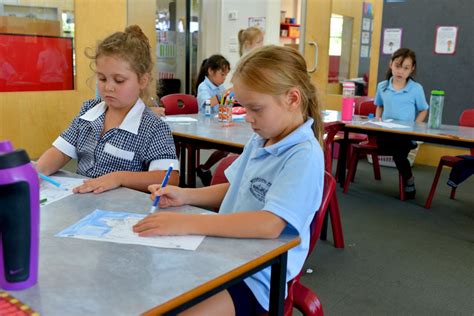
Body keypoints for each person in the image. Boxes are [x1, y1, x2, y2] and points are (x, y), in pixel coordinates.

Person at [133, 45, 325, 315]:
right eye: (244, 107)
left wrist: (188, 223)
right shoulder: (262, 139)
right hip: (223, 257)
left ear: (292, 99)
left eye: (255, 108)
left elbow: (270, 224)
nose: (248, 118)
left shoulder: (303, 155)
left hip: (257, 278)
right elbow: (237, 188)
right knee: (148, 289)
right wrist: (185, 195)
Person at [36, 25, 179, 193]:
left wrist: (119, 178)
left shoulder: (153, 126)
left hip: (122, 213)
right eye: (102, 78)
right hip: (83, 202)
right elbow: (60, 152)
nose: (109, 87)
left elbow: (170, 178)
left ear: (142, 81)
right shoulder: (88, 112)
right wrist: (36, 171)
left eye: (119, 80)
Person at [374, 48, 429, 199]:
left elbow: (424, 109)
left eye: (406, 68)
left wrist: (415, 127)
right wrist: (378, 120)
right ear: (391, 64)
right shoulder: (383, 86)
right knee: (394, 148)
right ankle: (408, 172)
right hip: (386, 133)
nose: (400, 71)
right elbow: (379, 105)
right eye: (397, 66)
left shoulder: (416, 89)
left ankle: (409, 179)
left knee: (399, 153)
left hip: (404, 134)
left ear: (412, 69)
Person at [195, 54, 231, 186]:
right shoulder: (203, 86)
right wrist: (224, 94)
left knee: (227, 148)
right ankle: (206, 170)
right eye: (222, 74)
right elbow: (208, 104)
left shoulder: (220, 87)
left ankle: (204, 168)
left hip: (216, 124)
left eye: (226, 75)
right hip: (205, 126)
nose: (224, 78)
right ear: (211, 71)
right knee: (226, 146)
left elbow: (224, 103)